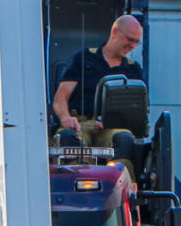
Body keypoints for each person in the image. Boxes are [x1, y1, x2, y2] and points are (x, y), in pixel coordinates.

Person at [52, 15, 144, 149]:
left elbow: (137, 111)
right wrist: (65, 118)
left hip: (113, 129)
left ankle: (120, 163)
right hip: (80, 124)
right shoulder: (83, 58)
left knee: (124, 141)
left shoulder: (133, 69)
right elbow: (61, 97)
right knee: (67, 138)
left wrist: (113, 122)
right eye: (130, 39)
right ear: (115, 32)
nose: (133, 46)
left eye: (136, 42)